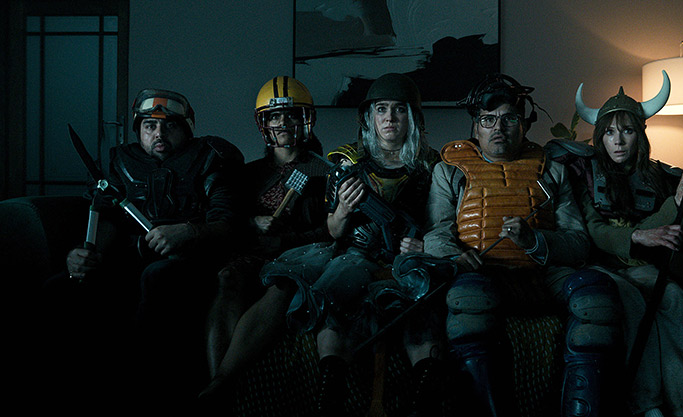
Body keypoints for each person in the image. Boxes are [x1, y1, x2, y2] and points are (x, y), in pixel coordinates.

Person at [423, 73, 624, 417]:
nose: (498, 128)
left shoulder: (552, 171)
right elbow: (435, 232)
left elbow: (578, 242)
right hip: (481, 272)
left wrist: (535, 240)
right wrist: (456, 256)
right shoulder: (450, 171)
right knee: (467, 300)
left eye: (509, 119)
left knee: (596, 298)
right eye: (488, 120)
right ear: (475, 128)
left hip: (542, 273)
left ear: (524, 124)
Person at [43, 88, 243, 412]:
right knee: (58, 288)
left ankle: (142, 392)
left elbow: (228, 223)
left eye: (170, 125)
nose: (159, 133)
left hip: (189, 263)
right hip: (128, 259)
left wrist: (190, 232)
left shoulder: (210, 159)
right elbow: (106, 218)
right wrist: (84, 253)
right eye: (150, 125)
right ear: (139, 129)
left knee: (158, 277)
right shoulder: (121, 161)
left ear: (186, 129)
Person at [548, 71, 683, 417]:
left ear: (640, 134)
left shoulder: (659, 176)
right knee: (631, 305)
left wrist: (680, 200)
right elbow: (594, 231)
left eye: (627, 131)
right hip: (599, 266)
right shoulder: (582, 173)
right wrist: (636, 236)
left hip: (643, 267)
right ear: (600, 137)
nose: (618, 141)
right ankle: (645, 405)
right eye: (609, 132)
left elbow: (659, 229)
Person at [257, 73, 442, 417]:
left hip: (409, 259)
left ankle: (423, 399)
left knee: (423, 311)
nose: (389, 118)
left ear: (413, 116)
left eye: (399, 109)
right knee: (331, 302)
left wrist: (423, 245)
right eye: (381, 109)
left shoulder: (433, 165)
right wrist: (343, 207)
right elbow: (333, 230)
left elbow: (443, 225)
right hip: (356, 254)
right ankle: (330, 393)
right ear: (369, 116)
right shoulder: (347, 160)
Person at [200, 76, 331, 403]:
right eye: (275, 116)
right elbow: (228, 221)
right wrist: (252, 222)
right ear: (264, 123)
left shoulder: (325, 171)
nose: (283, 123)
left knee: (281, 285)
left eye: (292, 114)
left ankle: (225, 380)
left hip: (299, 258)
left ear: (306, 119)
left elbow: (331, 233)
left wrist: (285, 241)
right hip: (251, 256)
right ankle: (217, 387)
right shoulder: (248, 174)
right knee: (227, 277)